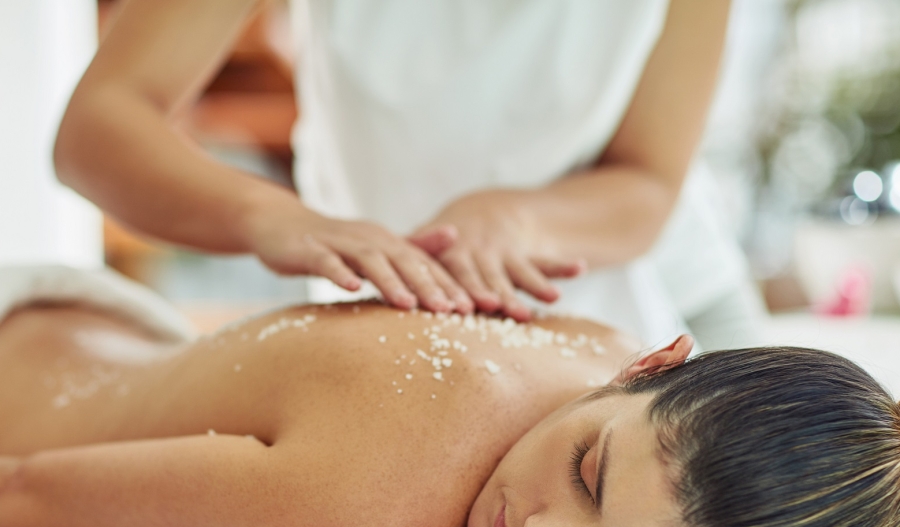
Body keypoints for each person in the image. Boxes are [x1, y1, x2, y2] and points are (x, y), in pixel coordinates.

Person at [0, 266, 897, 527]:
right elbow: (22, 492)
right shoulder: (370, 517)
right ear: (649, 365)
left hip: (87, 318)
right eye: (589, 473)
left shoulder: (588, 340)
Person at [54, 0, 764, 349]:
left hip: (657, 301)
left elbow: (648, 184)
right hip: (387, 308)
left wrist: (514, 218)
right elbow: (96, 130)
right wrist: (268, 215)